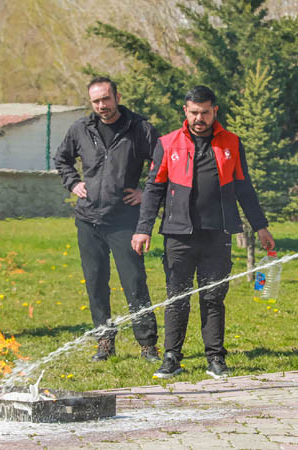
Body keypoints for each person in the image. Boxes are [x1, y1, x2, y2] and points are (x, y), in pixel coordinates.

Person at [132, 86, 275, 379]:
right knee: (177, 297)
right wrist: (143, 229)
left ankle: (216, 358)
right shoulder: (168, 143)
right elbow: (153, 189)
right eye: (194, 112)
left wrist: (260, 226)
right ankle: (171, 357)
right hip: (178, 234)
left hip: (217, 234)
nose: (199, 118)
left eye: (205, 113)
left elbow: (244, 188)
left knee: (213, 296)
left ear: (214, 111)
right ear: (185, 111)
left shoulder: (232, 143)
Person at [54, 76, 160, 362]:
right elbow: (61, 159)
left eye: (106, 99)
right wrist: (73, 182)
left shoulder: (140, 129)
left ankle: (148, 344)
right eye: (96, 101)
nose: (102, 105)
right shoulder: (81, 129)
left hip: (124, 221)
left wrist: (145, 192)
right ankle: (104, 341)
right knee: (96, 283)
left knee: (134, 283)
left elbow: (162, 164)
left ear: (117, 97)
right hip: (88, 220)